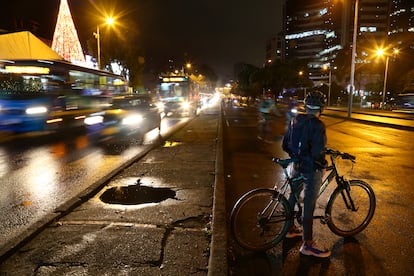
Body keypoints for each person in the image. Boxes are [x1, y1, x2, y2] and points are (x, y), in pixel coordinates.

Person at [282, 91, 330, 258]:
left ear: (306, 105)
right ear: (321, 108)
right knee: (309, 203)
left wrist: (297, 156)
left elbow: (285, 144)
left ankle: (288, 228)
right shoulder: (318, 125)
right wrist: (323, 164)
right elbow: (317, 152)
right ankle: (308, 244)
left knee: (293, 195)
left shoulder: (295, 120)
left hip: (296, 164)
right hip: (311, 169)